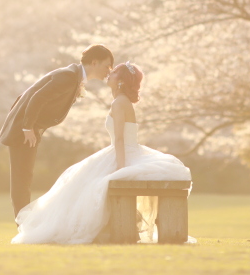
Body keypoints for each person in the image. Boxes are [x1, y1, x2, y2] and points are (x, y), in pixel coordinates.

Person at [11, 62, 192, 244]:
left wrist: (121, 168)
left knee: (86, 183)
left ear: (120, 82)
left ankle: (104, 227)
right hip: (120, 150)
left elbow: (120, 139)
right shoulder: (120, 101)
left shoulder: (120, 103)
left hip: (122, 152)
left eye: (113, 73)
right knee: (78, 180)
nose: (109, 74)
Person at [0, 44, 114, 217]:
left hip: (29, 129)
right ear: (95, 62)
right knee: (22, 179)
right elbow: (37, 98)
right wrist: (28, 127)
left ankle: (23, 222)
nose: (109, 71)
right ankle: (23, 224)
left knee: (24, 178)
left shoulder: (74, 76)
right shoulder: (68, 76)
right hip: (23, 131)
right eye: (107, 66)